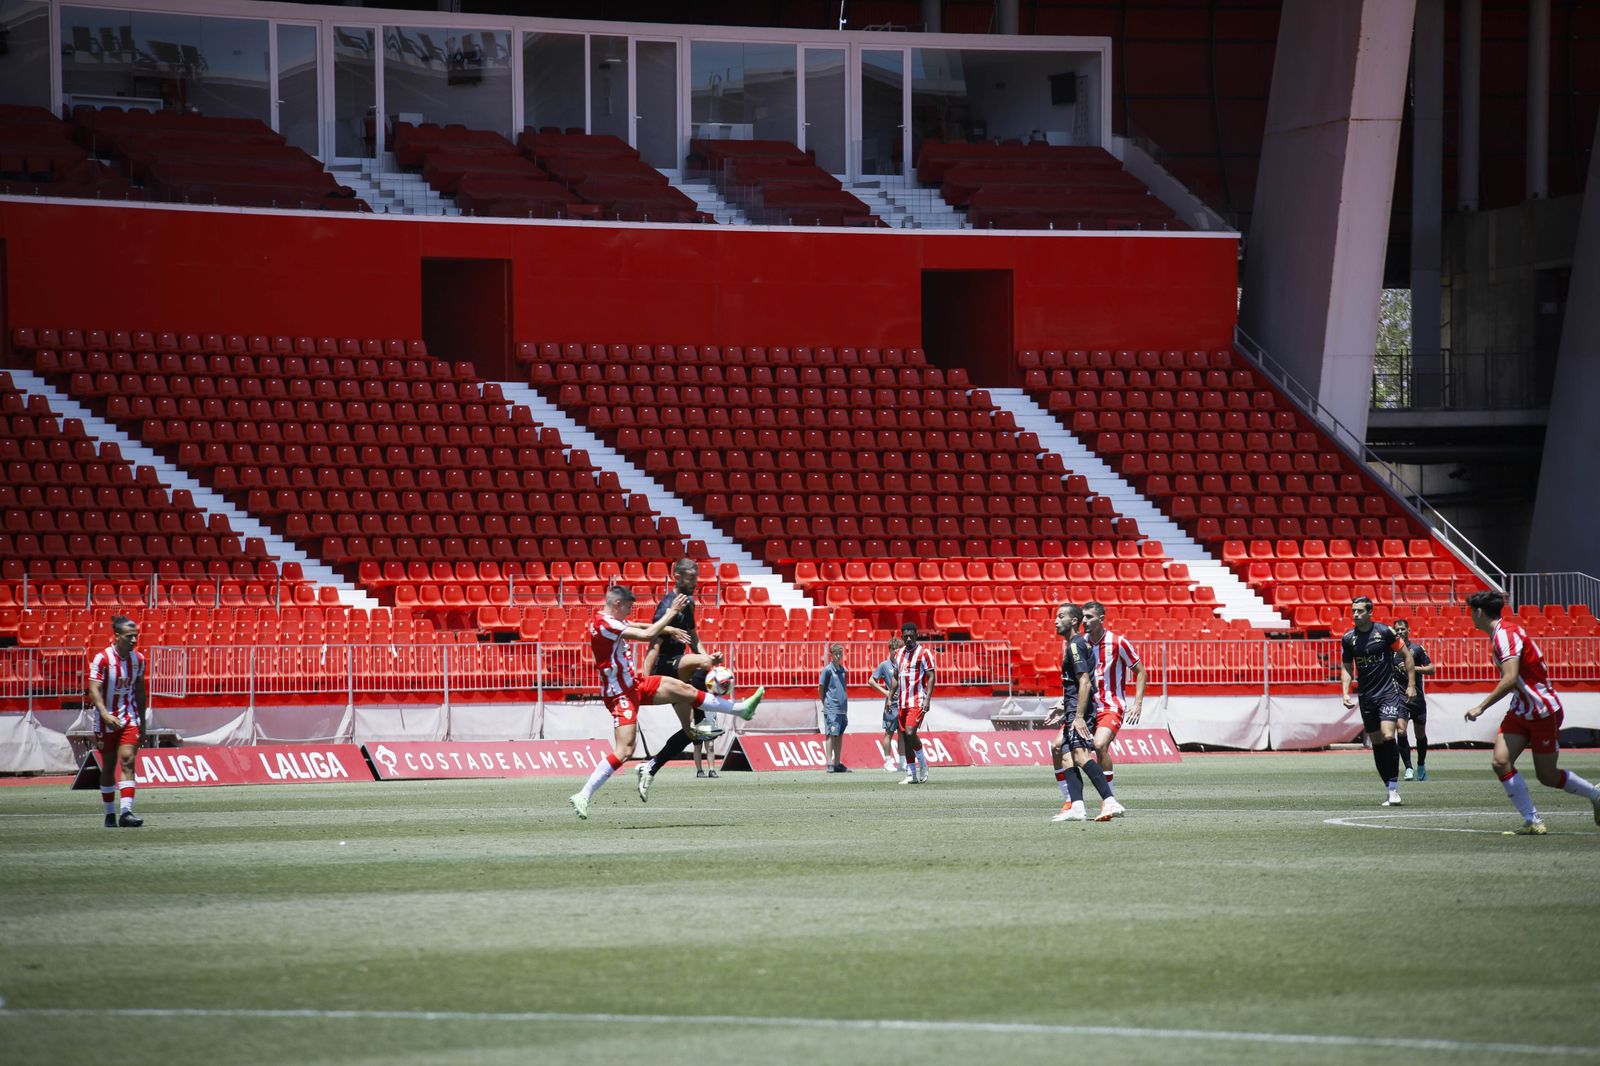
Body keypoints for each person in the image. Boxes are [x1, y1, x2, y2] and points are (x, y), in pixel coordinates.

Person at [570, 586, 764, 820]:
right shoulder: (606, 624)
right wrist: (671, 613)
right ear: (618, 604)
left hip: (635, 685)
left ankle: (740, 709)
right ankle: (583, 794)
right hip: (620, 694)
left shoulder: (606, 619)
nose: (630, 611)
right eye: (629, 606)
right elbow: (645, 635)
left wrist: (669, 628)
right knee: (625, 750)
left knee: (684, 689)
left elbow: (637, 627)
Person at [1463, 590, 1600, 835]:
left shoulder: (1505, 635)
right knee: (1500, 761)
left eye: (1470, 612)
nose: (1470, 617)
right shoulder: (1502, 633)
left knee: (1547, 776)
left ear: (1479, 612)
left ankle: (1595, 794)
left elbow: (1510, 678)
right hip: (1521, 710)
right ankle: (1532, 820)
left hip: (1541, 710)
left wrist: (1481, 706)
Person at [635, 559, 728, 800]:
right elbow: (653, 641)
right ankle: (703, 719)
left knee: (690, 733)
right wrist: (644, 681)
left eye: (696, 578)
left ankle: (651, 766)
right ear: (676, 577)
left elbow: (693, 638)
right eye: (690, 578)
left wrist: (708, 657)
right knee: (698, 662)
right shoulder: (668, 603)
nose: (694, 583)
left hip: (679, 665)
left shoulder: (689, 602)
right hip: (663, 666)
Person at [1046, 603, 1121, 822]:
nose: (1056, 620)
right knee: (1067, 756)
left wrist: (1078, 716)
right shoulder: (1074, 644)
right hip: (1071, 709)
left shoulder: (1076, 646)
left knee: (1080, 755)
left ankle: (1109, 799)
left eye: (1061, 616)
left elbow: (1085, 682)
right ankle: (1077, 807)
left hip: (1079, 712)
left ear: (1074, 621)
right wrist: (1064, 707)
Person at [1340, 596, 1416, 807]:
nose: (1355, 614)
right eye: (1353, 611)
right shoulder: (1348, 638)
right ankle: (1389, 787)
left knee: (1388, 734)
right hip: (1366, 697)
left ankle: (1394, 788)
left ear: (1370, 612)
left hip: (1387, 693)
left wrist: (1411, 685)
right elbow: (1347, 666)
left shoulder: (1384, 632)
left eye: (1360, 611)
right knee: (1376, 742)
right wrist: (1345, 692)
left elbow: (1407, 655)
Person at [1081, 600, 1144, 808]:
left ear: (1101, 619)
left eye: (1089, 617)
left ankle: (1108, 798)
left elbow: (1140, 671)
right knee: (1073, 752)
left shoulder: (1118, 643)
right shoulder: (1081, 643)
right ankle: (1074, 801)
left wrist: (1137, 703)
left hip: (1112, 706)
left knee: (1099, 745)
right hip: (1089, 708)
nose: (1085, 621)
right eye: (1083, 617)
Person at [88, 615, 148, 828]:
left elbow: (140, 692)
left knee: (128, 760)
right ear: (117, 636)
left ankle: (126, 812)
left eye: (136, 636)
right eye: (129, 636)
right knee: (109, 765)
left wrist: (143, 722)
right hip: (105, 720)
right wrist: (104, 713)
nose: (134, 640)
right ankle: (109, 813)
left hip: (129, 717)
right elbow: (94, 689)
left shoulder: (139, 659)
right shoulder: (102, 659)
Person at [1391, 618, 1435, 781]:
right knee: (1401, 730)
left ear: (1408, 630)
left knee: (1420, 735)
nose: (1400, 631)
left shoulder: (1416, 649)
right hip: (1399, 697)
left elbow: (1432, 669)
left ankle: (1421, 764)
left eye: (1402, 629)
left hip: (1416, 698)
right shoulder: (1391, 651)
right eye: (1397, 629)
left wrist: (1413, 667)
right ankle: (1408, 767)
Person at [893, 622, 936, 784]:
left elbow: (931, 676)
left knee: (911, 732)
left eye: (911, 635)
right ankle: (911, 774)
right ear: (902, 637)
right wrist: (890, 696)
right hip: (902, 702)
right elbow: (895, 676)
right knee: (905, 737)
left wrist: (928, 698)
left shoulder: (924, 653)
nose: (909, 638)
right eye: (906, 636)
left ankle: (923, 764)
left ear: (916, 635)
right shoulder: (898, 654)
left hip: (917, 700)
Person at [868, 636, 904, 773]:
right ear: (889, 650)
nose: (896, 651)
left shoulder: (903, 664)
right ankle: (887, 761)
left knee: (903, 733)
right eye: (893, 649)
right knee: (889, 733)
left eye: (898, 649)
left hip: (903, 703)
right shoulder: (885, 665)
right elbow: (871, 680)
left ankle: (902, 762)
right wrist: (886, 692)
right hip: (891, 705)